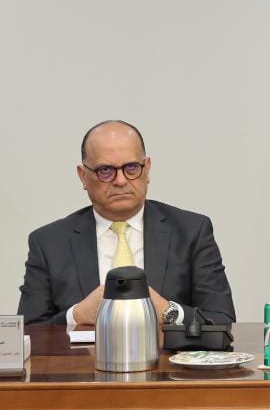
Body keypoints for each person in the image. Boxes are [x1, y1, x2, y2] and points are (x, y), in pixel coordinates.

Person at [17, 120, 235, 326]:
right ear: (83, 176)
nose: (120, 181)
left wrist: (168, 312)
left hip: (165, 355)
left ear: (147, 169)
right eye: (105, 170)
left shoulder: (191, 232)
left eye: (131, 167)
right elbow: (27, 332)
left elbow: (222, 320)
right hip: (85, 355)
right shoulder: (48, 243)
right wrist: (75, 316)